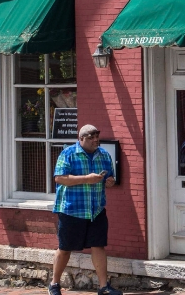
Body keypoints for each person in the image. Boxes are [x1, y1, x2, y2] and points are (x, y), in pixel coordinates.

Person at [49, 124, 121, 295]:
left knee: (98, 245)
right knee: (65, 247)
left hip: (96, 209)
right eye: (91, 137)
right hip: (72, 210)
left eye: (97, 136)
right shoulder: (68, 153)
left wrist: (110, 181)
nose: (95, 140)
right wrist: (87, 179)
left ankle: (103, 287)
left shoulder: (103, 154)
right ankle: (54, 284)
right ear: (80, 139)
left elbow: (110, 177)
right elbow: (59, 178)